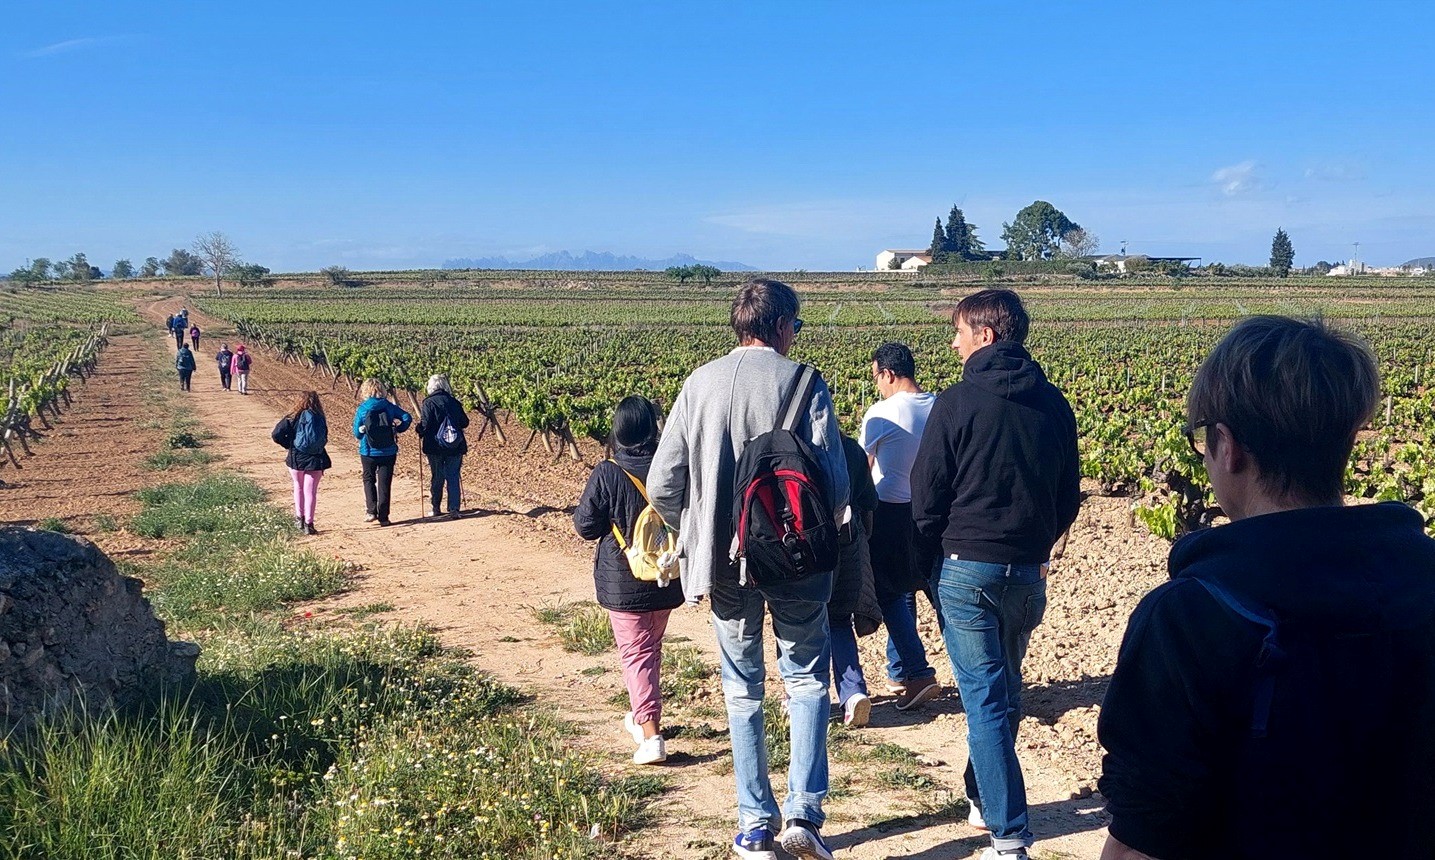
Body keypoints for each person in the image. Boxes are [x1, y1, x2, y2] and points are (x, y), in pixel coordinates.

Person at [1098, 316, 1435, 860]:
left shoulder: (1192, 614)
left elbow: (1146, 832)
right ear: (1350, 438)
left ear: (1227, 446)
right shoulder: (1423, 577)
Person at [647, 278, 848, 860]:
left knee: (743, 690)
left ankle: (753, 824)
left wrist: (700, 525)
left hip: (721, 560)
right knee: (808, 680)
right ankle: (804, 817)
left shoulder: (700, 383)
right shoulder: (806, 382)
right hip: (796, 560)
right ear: (782, 325)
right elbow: (832, 482)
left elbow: (663, 482)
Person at [910, 289, 1080, 860]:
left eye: (958, 331)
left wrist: (933, 551)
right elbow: (1068, 498)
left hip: (966, 569)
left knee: (985, 699)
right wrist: (1036, 543)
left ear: (984, 335)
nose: (953, 342)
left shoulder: (957, 403)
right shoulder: (1054, 405)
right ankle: (983, 797)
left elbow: (926, 494)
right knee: (1002, 690)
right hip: (1027, 574)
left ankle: (1010, 838)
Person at [573, 396, 686, 765]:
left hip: (625, 581)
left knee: (636, 653)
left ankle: (651, 735)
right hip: (667, 576)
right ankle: (642, 715)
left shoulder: (608, 472)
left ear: (619, 430)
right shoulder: (670, 467)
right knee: (649, 648)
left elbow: (585, 526)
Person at [859, 342, 942, 711]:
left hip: (890, 514)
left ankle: (917, 671)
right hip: (934, 512)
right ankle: (901, 670)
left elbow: (862, 468)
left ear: (888, 374)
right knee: (932, 591)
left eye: (876, 377)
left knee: (891, 593)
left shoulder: (881, 413)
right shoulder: (941, 406)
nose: (877, 384)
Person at [827, 432, 882, 728]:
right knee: (838, 620)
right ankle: (853, 691)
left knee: (799, 623)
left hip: (799, 550)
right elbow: (868, 503)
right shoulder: (850, 448)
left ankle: (806, 696)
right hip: (848, 542)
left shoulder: (791, 446)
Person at [271, 390, 332, 535]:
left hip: (296, 457)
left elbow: (276, 434)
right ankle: (309, 524)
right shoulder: (320, 418)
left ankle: (299, 518)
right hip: (316, 459)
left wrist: (289, 444)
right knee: (311, 492)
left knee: (298, 487)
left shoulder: (292, 417)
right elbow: (325, 437)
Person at [352, 378, 411, 526]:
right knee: (385, 482)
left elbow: (357, 433)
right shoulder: (389, 406)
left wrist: (362, 433)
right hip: (388, 451)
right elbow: (407, 417)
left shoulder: (363, 408)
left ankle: (371, 511)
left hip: (368, 451)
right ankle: (384, 517)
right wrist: (398, 429)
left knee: (369, 479)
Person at [415, 374, 470, 519]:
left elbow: (425, 425)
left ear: (431, 386)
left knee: (437, 476)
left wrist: (419, 429)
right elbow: (465, 422)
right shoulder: (455, 402)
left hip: (435, 447)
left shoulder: (429, 402)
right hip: (455, 446)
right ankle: (454, 509)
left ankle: (435, 507)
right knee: (453, 476)